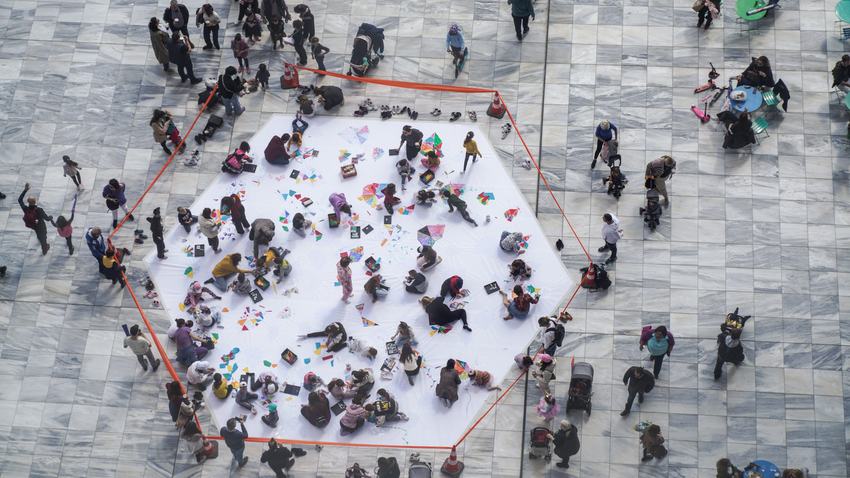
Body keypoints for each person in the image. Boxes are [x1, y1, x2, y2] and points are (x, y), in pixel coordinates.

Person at [21, 184, 57, 255]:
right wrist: (51, 217)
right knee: (43, 237)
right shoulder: (39, 210)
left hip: (32, 225)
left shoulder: (25, 209)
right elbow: (47, 219)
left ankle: (39, 238)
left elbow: (19, 200)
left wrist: (25, 190)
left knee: (38, 233)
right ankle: (44, 249)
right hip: (40, 225)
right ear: (35, 201)